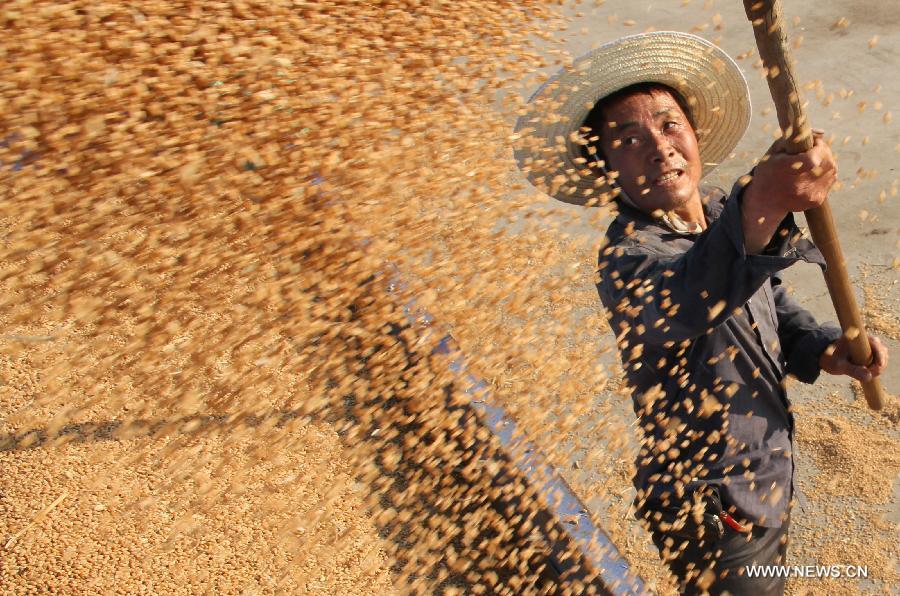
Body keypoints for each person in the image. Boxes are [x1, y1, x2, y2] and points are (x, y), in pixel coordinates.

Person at [512, 32, 889, 594]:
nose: (659, 146)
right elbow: (695, 296)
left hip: (763, 470)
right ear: (605, 168)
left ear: (693, 132)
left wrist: (823, 347)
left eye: (668, 125)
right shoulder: (627, 258)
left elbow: (768, 303)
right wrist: (763, 202)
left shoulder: (718, 207)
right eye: (629, 139)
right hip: (710, 503)